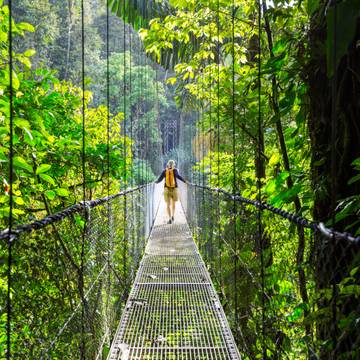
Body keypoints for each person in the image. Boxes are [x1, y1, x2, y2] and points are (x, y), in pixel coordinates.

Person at [155, 160, 189, 224]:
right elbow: (179, 177)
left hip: (166, 189)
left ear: (168, 164)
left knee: (168, 204)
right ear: (174, 165)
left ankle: (170, 218)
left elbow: (160, 179)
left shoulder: (165, 171)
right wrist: (185, 181)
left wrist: (155, 182)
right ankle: (173, 216)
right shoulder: (175, 170)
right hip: (174, 188)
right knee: (173, 203)